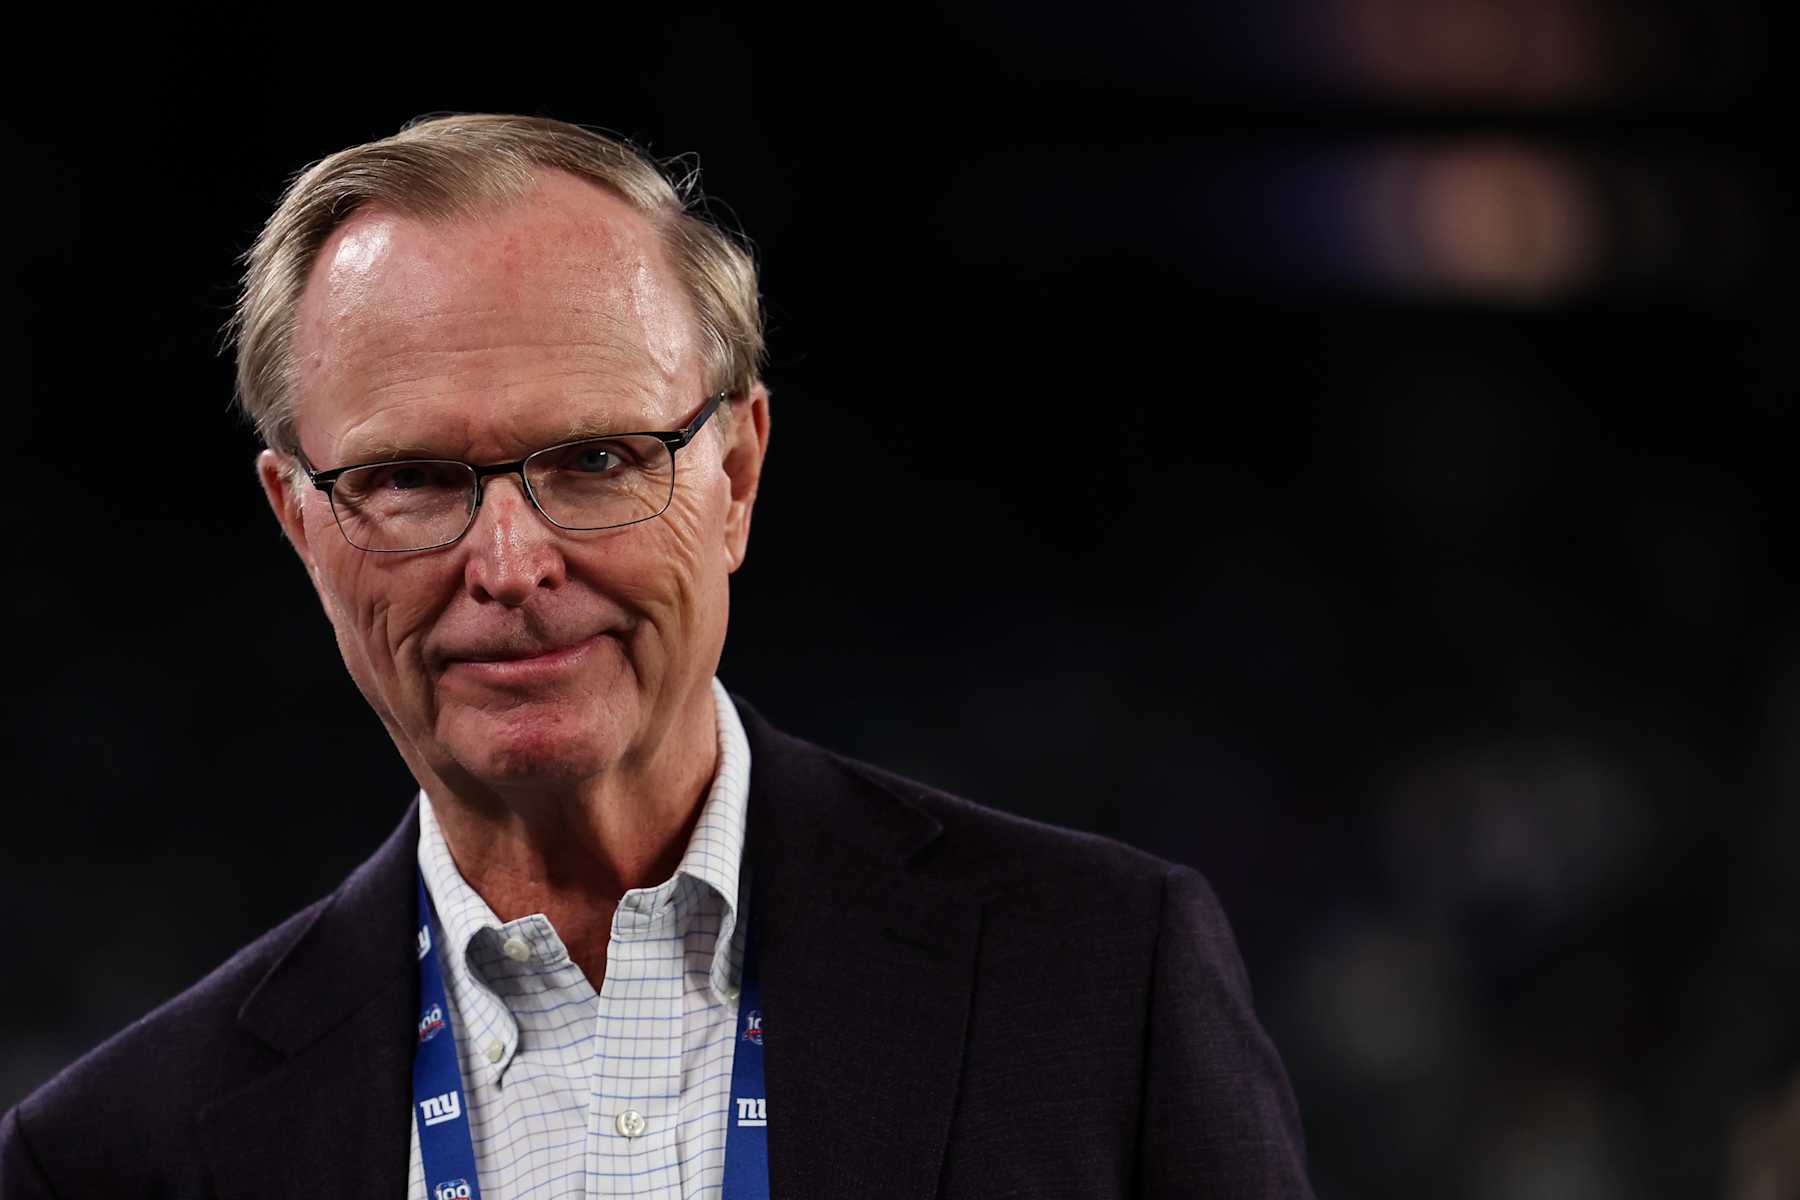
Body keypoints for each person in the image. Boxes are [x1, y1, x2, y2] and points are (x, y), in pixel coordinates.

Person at [0, 114, 1314, 1198]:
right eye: (411, 478)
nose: (508, 565)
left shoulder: (1101, 979)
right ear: (302, 523)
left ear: (737, 474)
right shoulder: (109, 1158)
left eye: (595, 460)